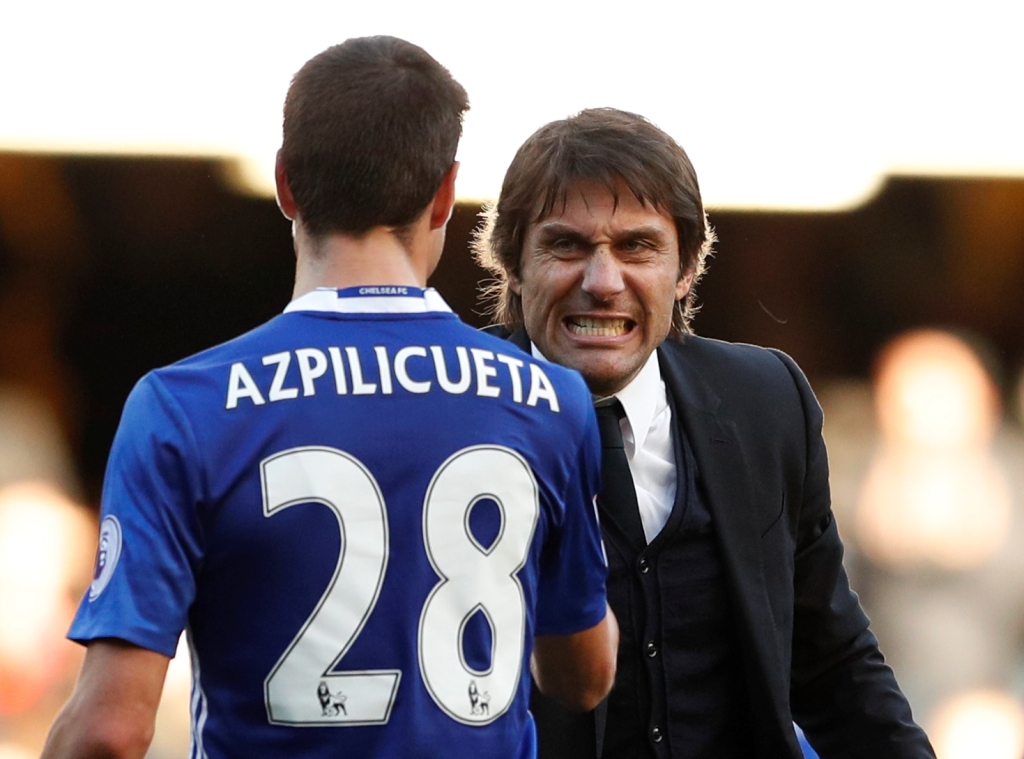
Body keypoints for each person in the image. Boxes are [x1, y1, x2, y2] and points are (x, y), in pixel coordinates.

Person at [41, 37, 617, 759]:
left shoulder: (182, 408)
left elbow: (108, 731)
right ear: (445, 195)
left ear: (286, 184)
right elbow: (585, 674)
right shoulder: (549, 400)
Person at [474, 107, 935, 759]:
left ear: (686, 268)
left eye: (637, 246)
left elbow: (833, 662)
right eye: (567, 245)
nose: (603, 283)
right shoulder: (452, 410)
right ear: (514, 265)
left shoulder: (765, 400)